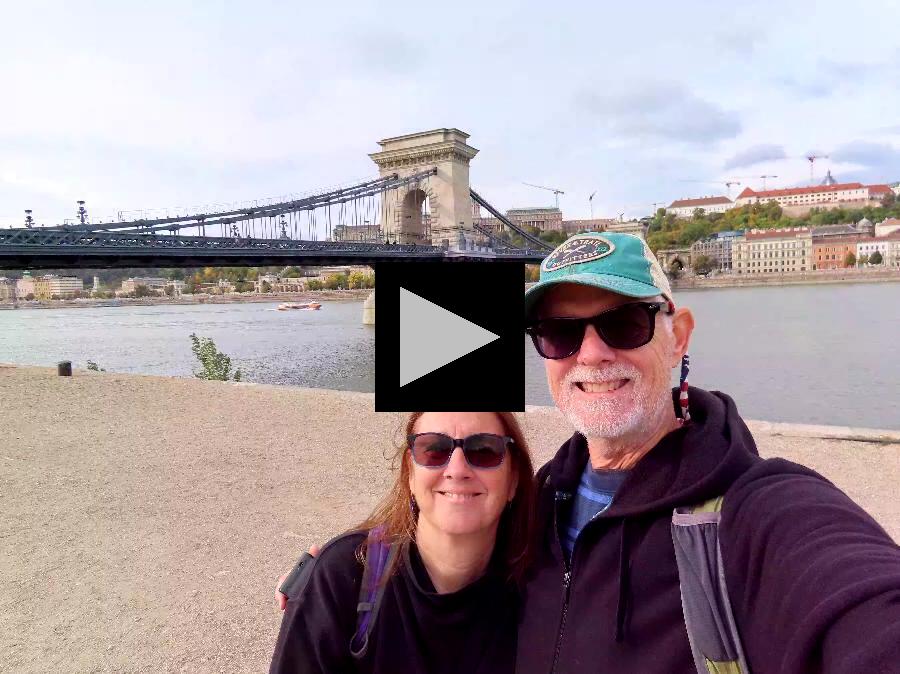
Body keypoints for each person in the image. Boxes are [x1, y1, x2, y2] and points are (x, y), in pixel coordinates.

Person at [277, 232, 900, 673]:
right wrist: (345, 564)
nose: (592, 353)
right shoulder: (542, 499)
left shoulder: (758, 512)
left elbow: (863, 606)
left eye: (624, 323)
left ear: (677, 335)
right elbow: (451, 510)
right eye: (559, 333)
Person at [270, 411, 536, 674]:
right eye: (434, 450)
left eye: (483, 450)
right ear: (410, 473)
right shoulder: (343, 577)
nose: (457, 470)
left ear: (513, 478)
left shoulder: (541, 592)